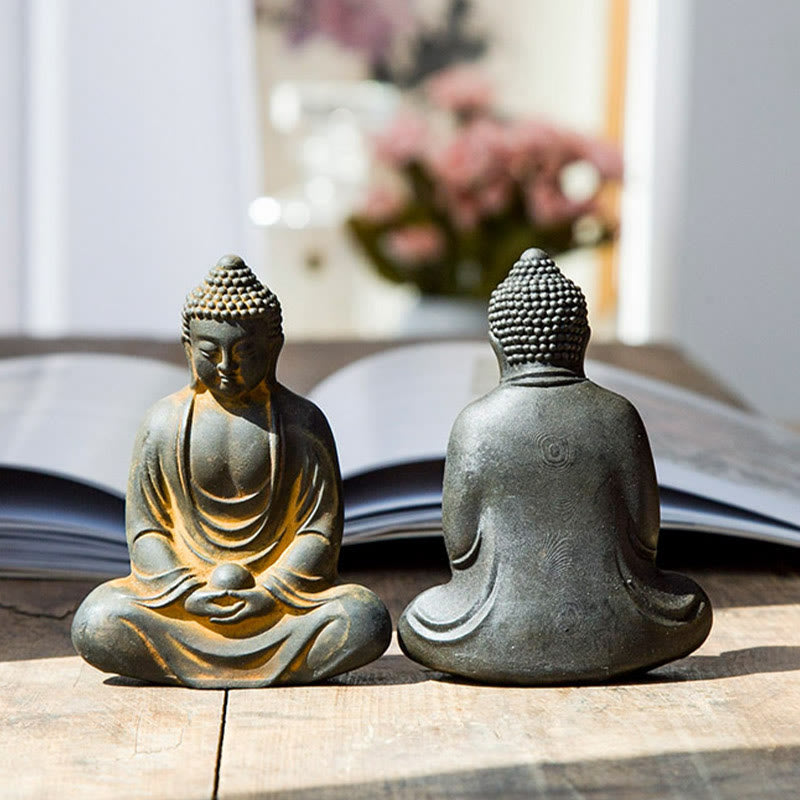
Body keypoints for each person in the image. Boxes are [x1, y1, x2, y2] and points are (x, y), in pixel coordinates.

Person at [72, 255, 391, 687]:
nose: (226, 366)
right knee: (98, 621)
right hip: (185, 609)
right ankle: (239, 662)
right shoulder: (164, 424)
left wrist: (269, 592)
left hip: (276, 610)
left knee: (362, 617)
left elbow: (318, 529)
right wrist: (189, 592)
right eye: (210, 351)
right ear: (189, 349)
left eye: (245, 351)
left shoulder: (300, 422)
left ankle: (227, 661)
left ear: (273, 348)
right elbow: (147, 529)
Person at [398, 248, 712, 684]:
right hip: (626, 632)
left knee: (417, 623)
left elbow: (462, 545)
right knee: (692, 606)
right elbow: (645, 534)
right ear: (582, 337)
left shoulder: (477, 423)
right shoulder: (617, 415)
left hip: (488, 628)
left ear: (497, 343)